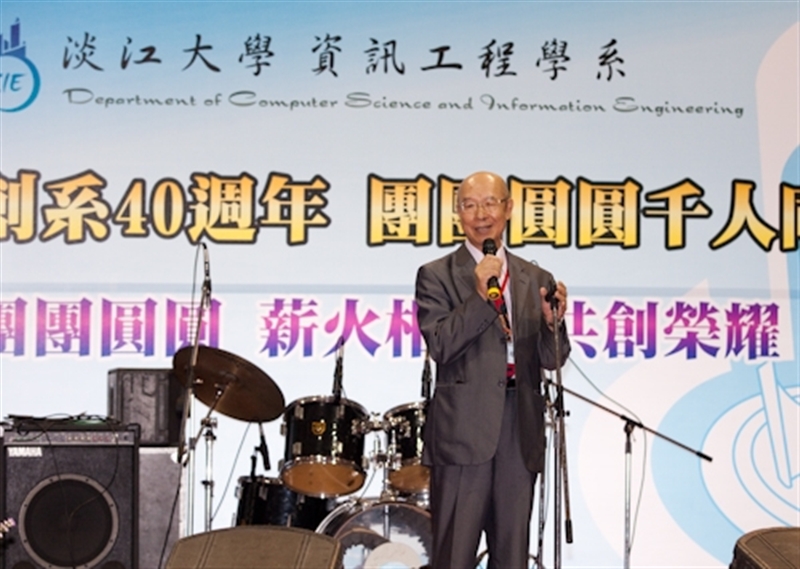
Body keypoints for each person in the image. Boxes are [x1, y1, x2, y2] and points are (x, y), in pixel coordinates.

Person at [415, 171, 570, 569]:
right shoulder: (436, 274)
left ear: (508, 208)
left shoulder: (535, 278)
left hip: (520, 429)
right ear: (457, 213)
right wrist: (481, 298)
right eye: (469, 205)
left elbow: (551, 359)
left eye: (489, 203)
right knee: (454, 556)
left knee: (512, 558)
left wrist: (553, 323)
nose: (480, 214)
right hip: (462, 433)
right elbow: (441, 344)